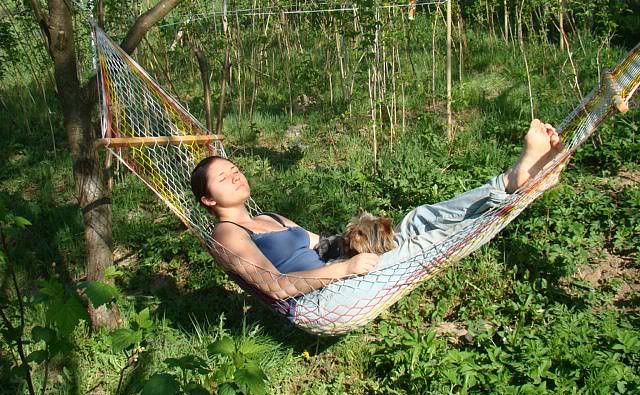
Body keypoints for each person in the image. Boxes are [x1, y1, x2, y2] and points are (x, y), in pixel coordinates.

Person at [190, 119, 562, 305]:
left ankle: (509, 182)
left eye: (235, 169)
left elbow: (323, 244)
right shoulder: (228, 234)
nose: (235, 175)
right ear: (208, 200)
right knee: (423, 243)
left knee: (417, 219)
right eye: (223, 177)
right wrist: (345, 269)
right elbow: (276, 286)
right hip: (322, 297)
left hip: (339, 269)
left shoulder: (270, 217)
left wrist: (362, 236)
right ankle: (513, 192)